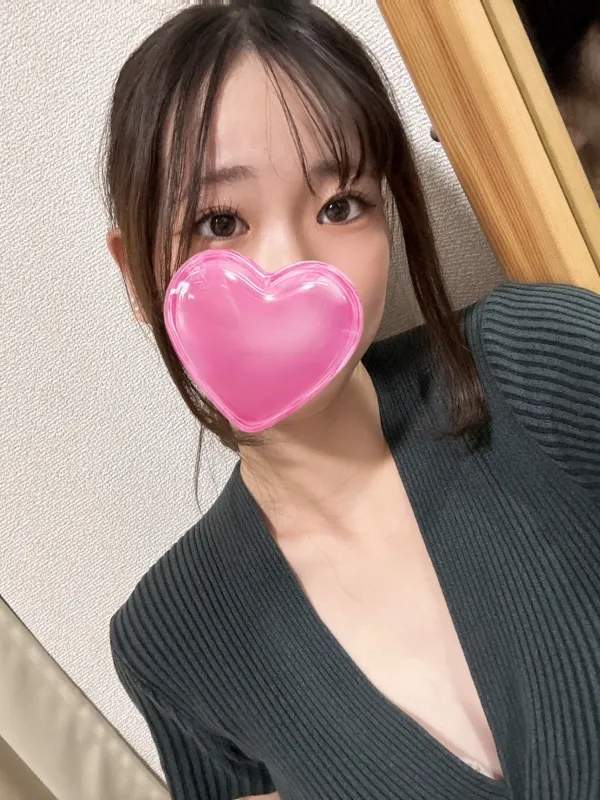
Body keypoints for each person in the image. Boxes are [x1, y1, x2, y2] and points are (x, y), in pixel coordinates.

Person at [104, 3, 600, 799]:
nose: (290, 267)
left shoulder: (540, 358)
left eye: (340, 206)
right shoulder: (172, 641)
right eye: (219, 220)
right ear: (135, 274)